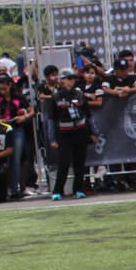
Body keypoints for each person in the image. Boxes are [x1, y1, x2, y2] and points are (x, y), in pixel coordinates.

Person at [49, 69, 95, 200]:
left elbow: (88, 115)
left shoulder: (80, 94)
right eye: (68, 78)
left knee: (79, 162)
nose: (71, 81)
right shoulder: (57, 96)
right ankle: (57, 190)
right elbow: (51, 119)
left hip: (80, 132)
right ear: (62, 80)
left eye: (73, 78)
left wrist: (92, 132)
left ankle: (78, 189)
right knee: (63, 162)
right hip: (64, 133)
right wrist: (52, 138)